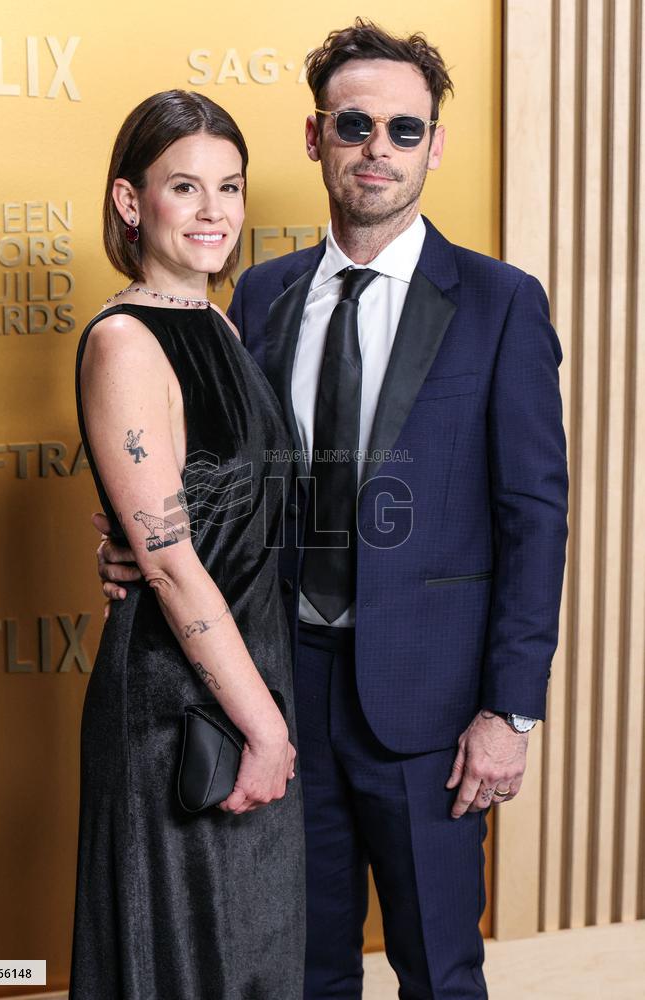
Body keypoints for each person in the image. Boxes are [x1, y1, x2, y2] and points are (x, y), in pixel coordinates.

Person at [96, 20, 569, 1000]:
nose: (378, 150)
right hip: (279, 691)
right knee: (296, 971)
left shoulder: (499, 303)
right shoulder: (257, 298)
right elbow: (204, 478)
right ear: (317, 139)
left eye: (405, 129)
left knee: (439, 969)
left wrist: (509, 709)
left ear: (435, 143)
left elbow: (535, 515)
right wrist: (127, 546)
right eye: (355, 124)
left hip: (431, 713)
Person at [69, 89, 305, 1000]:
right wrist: (267, 726)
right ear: (132, 203)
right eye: (185, 187)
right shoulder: (127, 342)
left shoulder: (221, 324)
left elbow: (211, 516)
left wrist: (264, 715)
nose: (215, 212)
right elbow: (168, 560)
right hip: (179, 713)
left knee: (250, 963)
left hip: (242, 685)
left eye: (231, 187)